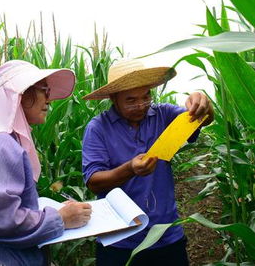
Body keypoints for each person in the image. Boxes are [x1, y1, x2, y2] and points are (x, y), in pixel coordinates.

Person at [0, 60, 92, 266]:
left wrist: (55, 213)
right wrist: (60, 219)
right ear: (17, 94)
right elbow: (1, 218)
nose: (49, 100)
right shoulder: (0, 144)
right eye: (44, 90)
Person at [82, 59, 214, 266]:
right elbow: (93, 181)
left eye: (146, 97)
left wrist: (202, 103)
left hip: (166, 235)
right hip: (119, 240)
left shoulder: (165, 115)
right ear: (114, 99)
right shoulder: (98, 128)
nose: (141, 105)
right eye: (131, 100)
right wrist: (130, 169)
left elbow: (201, 119)